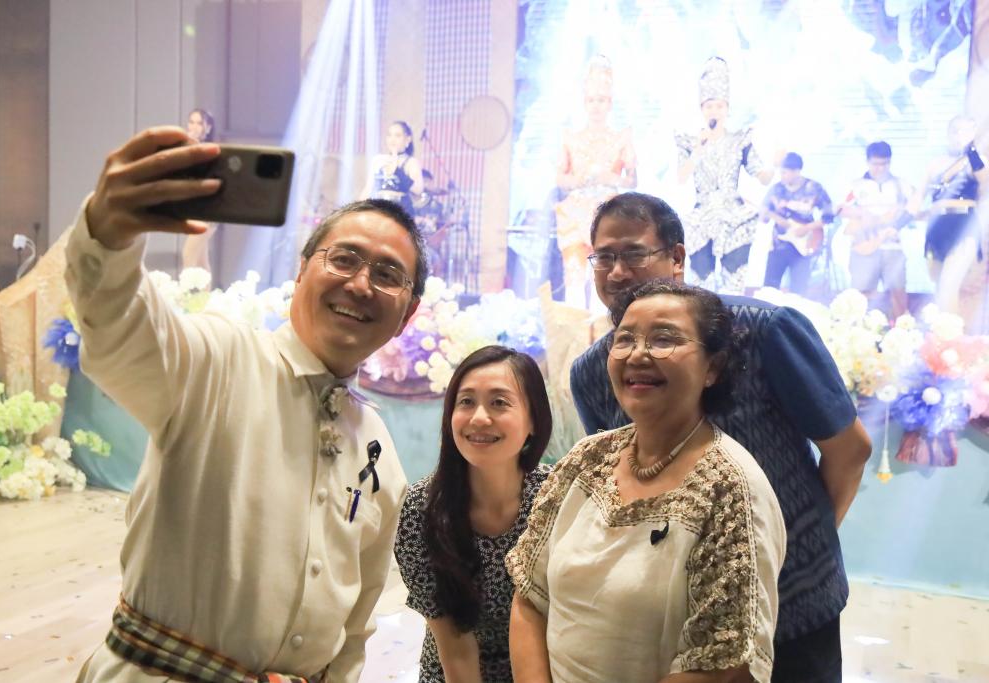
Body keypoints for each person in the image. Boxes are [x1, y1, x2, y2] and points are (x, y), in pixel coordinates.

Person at [67, 126, 428, 682]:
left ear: (407, 314)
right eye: (344, 259)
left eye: (387, 275)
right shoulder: (217, 360)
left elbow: (356, 623)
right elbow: (120, 326)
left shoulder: (378, 448)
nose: (360, 285)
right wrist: (107, 234)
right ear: (301, 270)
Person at [569, 192, 872, 682]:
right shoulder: (594, 372)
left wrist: (784, 548)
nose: (618, 271)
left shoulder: (764, 331)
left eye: (633, 253)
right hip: (673, 618)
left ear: (677, 257)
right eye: (604, 257)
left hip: (793, 601)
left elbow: (850, 450)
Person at [508, 279, 786, 682]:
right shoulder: (588, 459)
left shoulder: (731, 489)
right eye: (624, 339)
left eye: (664, 339)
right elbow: (529, 597)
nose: (638, 354)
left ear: (713, 367)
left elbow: (722, 665)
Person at [394, 345, 553, 682]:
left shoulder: (555, 498)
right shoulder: (422, 509)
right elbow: (456, 648)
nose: (479, 418)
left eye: (499, 402)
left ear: (534, 420)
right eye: (466, 401)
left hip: (544, 667)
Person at [676, 57, 775, 294]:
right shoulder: (689, 142)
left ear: (727, 109)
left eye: (719, 106)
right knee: (701, 284)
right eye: (709, 106)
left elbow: (761, 175)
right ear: (702, 109)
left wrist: (774, 164)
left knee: (734, 281)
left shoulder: (739, 141)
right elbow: (681, 177)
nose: (715, 111)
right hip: (701, 218)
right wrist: (698, 149)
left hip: (734, 217)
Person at [554, 54, 637, 308]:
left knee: (604, 276)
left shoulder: (622, 137)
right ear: (584, 103)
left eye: (601, 100)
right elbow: (560, 178)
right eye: (591, 100)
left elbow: (632, 180)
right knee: (574, 277)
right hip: (574, 213)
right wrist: (577, 180)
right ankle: (573, 331)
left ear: (609, 103)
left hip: (608, 213)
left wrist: (611, 177)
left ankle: (603, 330)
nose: (596, 106)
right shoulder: (570, 137)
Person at [908, 115, 988, 316]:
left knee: (948, 284)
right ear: (948, 134)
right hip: (937, 227)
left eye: (965, 131)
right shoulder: (935, 164)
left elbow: (984, 179)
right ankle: (944, 329)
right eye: (955, 131)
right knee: (938, 284)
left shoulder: (977, 162)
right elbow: (919, 197)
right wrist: (899, 221)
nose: (959, 135)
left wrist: (970, 150)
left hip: (963, 226)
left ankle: (949, 332)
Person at [840, 141, 915, 319]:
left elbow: (916, 210)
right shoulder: (856, 185)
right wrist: (863, 214)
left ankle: (900, 328)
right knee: (861, 294)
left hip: (892, 248)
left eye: (885, 164)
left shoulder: (901, 185)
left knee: (897, 292)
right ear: (867, 161)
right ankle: (859, 328)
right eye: (876, 164)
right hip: (863, 247)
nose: (880, 168)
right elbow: (841, 209)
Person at [760, 152, 836, 296]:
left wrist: (807, 228)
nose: (782, 176)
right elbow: (764, 216)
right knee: (769, 289)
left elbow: (829, 216)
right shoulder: (776, 189)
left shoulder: (814, 188)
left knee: (799, 291)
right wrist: (767, 215)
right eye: (780, 172)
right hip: (778, 245)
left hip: (804, 246)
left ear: (796, 171)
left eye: (785, 172)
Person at [180, 108, 219, 273]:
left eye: (199, 123)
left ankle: (186, 289)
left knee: (188, 256)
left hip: (207, 212)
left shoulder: (209, 150)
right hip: (196, 210)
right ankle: (205, 290)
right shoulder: (187, 147)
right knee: (202, 262)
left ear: (207, 128)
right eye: (191, 122)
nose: (194, 127)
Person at [361, 120, 425, 216]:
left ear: (408, 139)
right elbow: (368, 189)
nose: (392, 139)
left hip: (401, 212)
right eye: (389, 135)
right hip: (380, 211)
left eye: (397, 135)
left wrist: (398, 172)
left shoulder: (411, 162)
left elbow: (418, 190)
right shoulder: (378, 160)